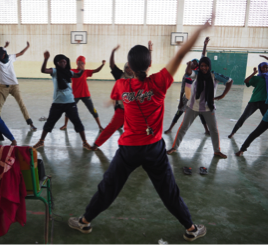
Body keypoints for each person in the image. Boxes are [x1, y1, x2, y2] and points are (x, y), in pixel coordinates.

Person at [68, 17, 215, 242]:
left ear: (129, 66)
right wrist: (200, 29)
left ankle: (85, 221)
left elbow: (135, 78)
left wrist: (146, 58)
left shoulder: (122, 85)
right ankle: (191, 228)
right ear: (148, 65)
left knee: (109, 185)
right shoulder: (159, 82)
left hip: (128, 149)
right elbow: (180, 54)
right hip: (154, 148)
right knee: (169, 191)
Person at [167, 55, 233, 159]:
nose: (204, 68)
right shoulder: (197, 74)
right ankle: (174, 147)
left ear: (209, 66)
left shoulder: (214, 76)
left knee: (213, 130)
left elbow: (229, 81)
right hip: (193, 107)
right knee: (183, 127)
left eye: (206, 66)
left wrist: (223, 95)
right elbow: (188, 72)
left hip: (208, 108)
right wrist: (189, 64)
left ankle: (217, 151)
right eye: (202, 66)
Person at [91, 41, 152, 151]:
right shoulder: (120, 75)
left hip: (134, 110)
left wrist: (149, 52)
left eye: (130, 68)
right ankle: (96, 144)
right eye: (126, 68)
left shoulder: (138, 76)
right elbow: (112, 65)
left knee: (140, 128)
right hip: (122, 109)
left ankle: (142, 147)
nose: (128, 69)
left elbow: (147, 67)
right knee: (111, 127)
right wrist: (113, 52)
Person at [32, 52, 92, 150]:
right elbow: (43, 70)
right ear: (57, 63)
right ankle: (41, 141)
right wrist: (46, 59)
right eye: (60, 62)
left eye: (64, 62)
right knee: (49, 123)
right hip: (57, 103)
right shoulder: (54, 71)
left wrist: (82, 70)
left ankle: (85, 142)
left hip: (70, 102)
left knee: (78, 122)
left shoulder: (69, 72)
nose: (63, 64)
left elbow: (77, 75)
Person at [165, 37, 211, 135]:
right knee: (179, 113)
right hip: (186, 98)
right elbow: (182, 88)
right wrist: (181, 100)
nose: (193, 64)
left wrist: (205, 45)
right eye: (192, 62)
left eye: (195, 63)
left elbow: (203, 56)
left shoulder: (199, 73)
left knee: (201, 114)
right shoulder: (186, 75)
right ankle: (170, 128)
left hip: (197, 98)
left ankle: (207, 130)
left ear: (197, 66)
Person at [59, 56, 106, 131]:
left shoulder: (86, 72)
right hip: (75, 95)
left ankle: (100, 126)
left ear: (84, 64)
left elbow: (96, 70)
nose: (81, 64)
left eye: (83, 63)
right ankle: (65, 125)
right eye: (79, 63)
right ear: (77, 63)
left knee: (93, 111)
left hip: (85, 95)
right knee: (68, 110)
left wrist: (102, 64)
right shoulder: (72, 71)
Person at [228, 62, 268, 138]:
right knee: (243, 117)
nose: (266, 69)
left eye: (267, 67)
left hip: (265, 102)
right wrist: (253, 73)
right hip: (254, 101)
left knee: (267, 120)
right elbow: (246, 81)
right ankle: (233, 132)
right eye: (264, 67)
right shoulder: (256, 78)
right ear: (260, 68)